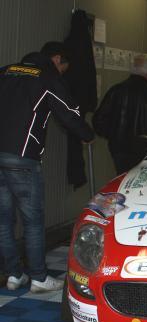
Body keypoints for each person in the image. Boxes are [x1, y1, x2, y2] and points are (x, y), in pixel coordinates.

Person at [0, 41, 95, 292]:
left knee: (3, 221)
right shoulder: (46, 78)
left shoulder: (5, 71)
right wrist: (87, 134)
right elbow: (69, 113)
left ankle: (13, 275)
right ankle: (39, 278)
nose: (62, 72)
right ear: (56, 59)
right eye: (64, 67)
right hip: (22, 157)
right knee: (32, 222)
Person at [93, 54, 147, 174]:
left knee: (122, 179)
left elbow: (98, 121)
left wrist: (114, 135)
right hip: (145, 152)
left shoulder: (116, 91)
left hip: (119, 151)